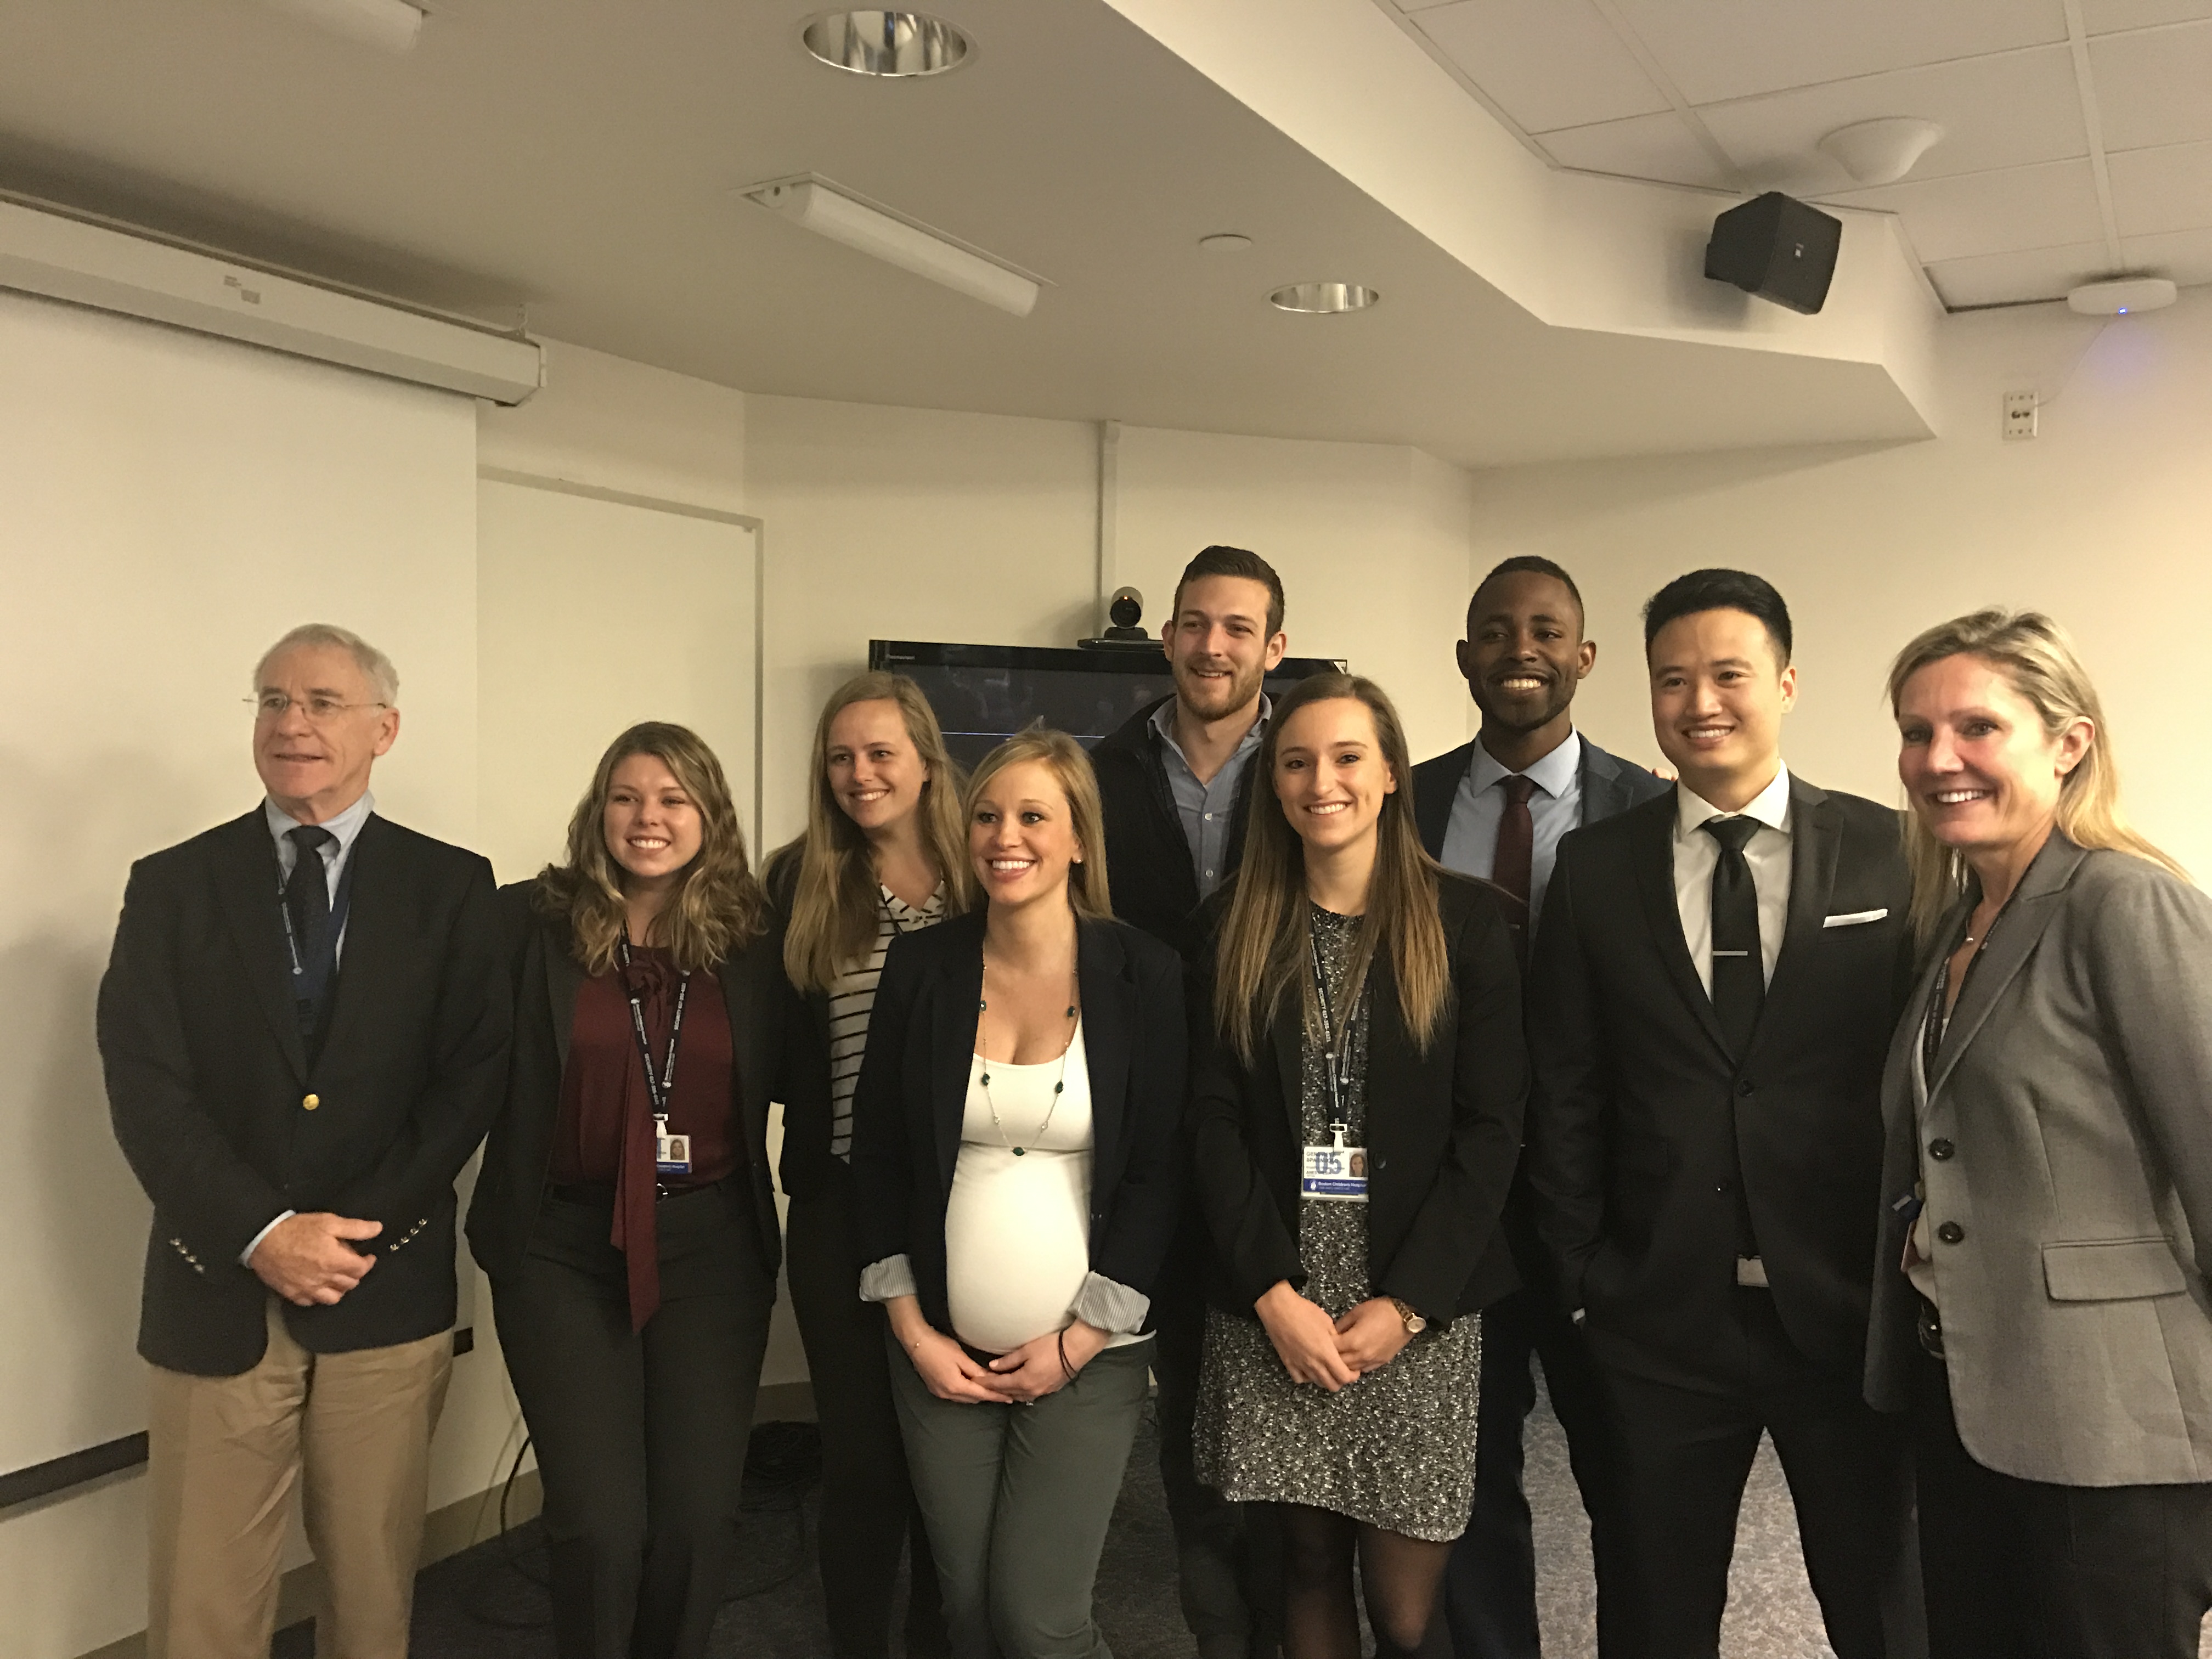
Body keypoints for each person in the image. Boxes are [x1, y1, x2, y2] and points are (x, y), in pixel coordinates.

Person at [1523, 569, 1923, 1659]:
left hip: (1847, 1309)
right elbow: (1567, 1086)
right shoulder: (1596, 870)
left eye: (1729, 674)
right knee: (1654, 1609)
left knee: (1884, 1603)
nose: (1700, 702)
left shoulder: (1893, 852)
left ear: (1786, 684)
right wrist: (1579, 1278)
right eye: (1672, 680)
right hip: (1659, 1313)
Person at [97, 623, 510, 1659]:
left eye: (323, 702)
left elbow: (469, 1083)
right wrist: (263, 1230)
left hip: (386, 1287)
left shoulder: (453, 887)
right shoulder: (172, 885)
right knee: (203, 1607)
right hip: (216, 1284)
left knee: (372, 1602)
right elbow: (145, 1083)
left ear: (385, 728)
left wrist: (346, 1232)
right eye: (273, 700)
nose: (293, 723)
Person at [1865, 610, 2212, 1658]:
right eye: (1917, 733)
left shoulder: (2124, 904)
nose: (1940, 760)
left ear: (2068, 743)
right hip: (1971, 1392)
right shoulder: (1960, 923)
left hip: (2110, 1424)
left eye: (1978, 727)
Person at [1192, 672, 1526, 1659]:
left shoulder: (1468, 922)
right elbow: (1206, 1124)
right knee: (1301, 1566)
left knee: (1409, 1610)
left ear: (1389, 774)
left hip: (1416, 1302)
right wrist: (1272, 1294)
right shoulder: (1230, 928)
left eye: (1345, 758)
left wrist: (1409, 1303)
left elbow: (1495, 1128)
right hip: (1278, 1296)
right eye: (1296, 762)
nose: (1320, 781)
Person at [851, 729, 1188, 1659]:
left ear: (1079, 838)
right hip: (940, 1356)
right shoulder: (924, 970)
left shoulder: (1145, 975)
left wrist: (1082, 1339)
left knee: (1039, 1623)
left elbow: (1164, 1171)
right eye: (989, 816)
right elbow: (876, 1156)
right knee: (965, 1614)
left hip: (1093, 1351)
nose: (1008, 835)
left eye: (1035, 816)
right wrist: (913, 1332)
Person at [465, 723, 785, 1659]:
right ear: (598, 810)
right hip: (561, 1245)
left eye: (674, 799)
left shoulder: (756, 942)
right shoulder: (526, 925)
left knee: (696, 1518)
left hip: (714, 1247)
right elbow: (459, 1068)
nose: (649, 819)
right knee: (600, 1523)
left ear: (710, 817)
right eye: (628, 797)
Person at [1411, 556, 1663, 1659]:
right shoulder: (1400, 804)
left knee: (1634, 1475)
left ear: (1585, 657)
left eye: (1548, 631)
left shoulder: (1653, 810)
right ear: (1465, 655)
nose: (1523, 651)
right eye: (1498, 631)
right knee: (1467, 1479)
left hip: (1605, 1202)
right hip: (1451, 1199)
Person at [1091, 543, 1288, 1659]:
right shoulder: (1106, 770)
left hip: (1284, 1127)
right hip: (1143, 1122)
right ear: (1168, 636)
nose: (1212, 646)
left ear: (1274, 646)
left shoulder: (1311, 764)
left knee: (1274, 1381)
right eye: (1195, 624)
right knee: (1187, 1410)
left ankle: (1294, 1613)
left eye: (1237, 626)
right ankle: (1225, 1630)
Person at [768, 672, 968, 1659]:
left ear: (927, 761)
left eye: (881, 752)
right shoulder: (794, 881)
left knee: (949, 1454)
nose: (860, 774)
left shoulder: (992, 869)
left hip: (969, 1206)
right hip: (842, 1206)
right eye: (841, 757)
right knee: (862, 1463)